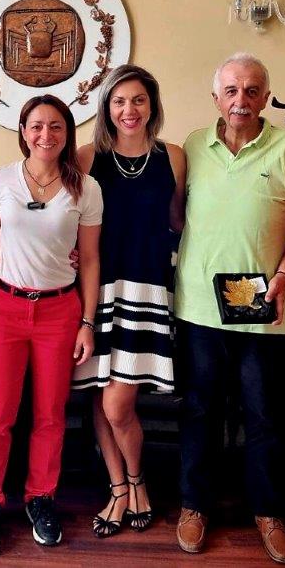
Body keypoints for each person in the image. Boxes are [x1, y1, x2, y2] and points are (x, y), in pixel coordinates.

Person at [173, 53, 285, 563]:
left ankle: (269, 513)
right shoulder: (193, 147)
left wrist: (283, 277)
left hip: (267, 308)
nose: (241, 100)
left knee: (265, 415)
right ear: (216, 97)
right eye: (232, 90)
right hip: (199, 308)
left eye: (252, 91)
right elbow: (172, 215)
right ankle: (194, 505)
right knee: (200, 411)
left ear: (266, 97)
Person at [0, 95, 103, 556]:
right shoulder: (0, 180)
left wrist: (87, 322)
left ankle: (41, 496)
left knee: (49, 414)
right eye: (37, 126)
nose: (46, 135)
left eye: (56, 126)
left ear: (68, 133)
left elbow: (90, 259)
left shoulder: (86, 188)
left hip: (59, 312)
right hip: (6, 307)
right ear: (23, 131)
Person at [72, 64, 186, 537]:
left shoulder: (174, 157)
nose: (129, 109)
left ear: (152, 105)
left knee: (118, 405)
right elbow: (69, 220)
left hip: (148, 288)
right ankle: (121, 488)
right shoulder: (85, 157)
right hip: (97, 288)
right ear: (106, 108)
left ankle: (137, 480)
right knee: (101, 399)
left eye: (138, 99)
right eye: (119, 101)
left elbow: (178, 221)